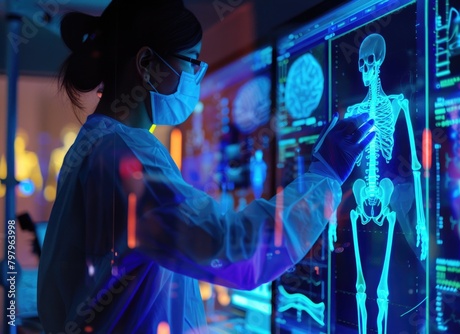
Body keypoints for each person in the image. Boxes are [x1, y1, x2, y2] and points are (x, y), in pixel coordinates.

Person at [37, 0, 375, 333]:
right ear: (148, 64)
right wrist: (325, 176)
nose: (198, 75)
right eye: (192, 62)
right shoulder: (127, 156)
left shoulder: (97, 144)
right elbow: (233, 250)